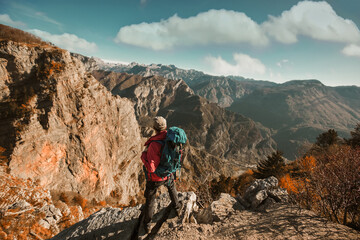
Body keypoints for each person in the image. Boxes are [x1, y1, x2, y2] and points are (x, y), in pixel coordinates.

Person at [140, 116, 182, 233]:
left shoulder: (154, 144)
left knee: (150, 199)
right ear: (165, 126)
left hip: (155, 178)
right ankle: (177, 208)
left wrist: (143, 156)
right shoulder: (171, 138)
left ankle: (147, 224)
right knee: (171, 187)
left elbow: (151, 168)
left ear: (154, 128)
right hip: (168, 173)